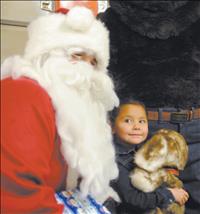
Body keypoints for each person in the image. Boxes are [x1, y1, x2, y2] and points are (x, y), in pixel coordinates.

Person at [1, 6, 120, 213]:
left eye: (94, 62)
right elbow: (16, 195)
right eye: (76, 55)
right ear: (46, 55)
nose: (86, 71)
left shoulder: (65, 104)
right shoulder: (22, 93)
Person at [99, 1, 200, 213]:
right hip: (142, 129)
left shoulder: (110, 21)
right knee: (144, 201)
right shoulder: (110, 22)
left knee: (142, 201)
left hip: (143, 126)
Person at [108, 99, 189, 214]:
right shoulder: (115, 162)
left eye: (142, 121)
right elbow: (134, 199)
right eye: (128, 120)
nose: (137, 126)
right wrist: (169, 195)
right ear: (112, 127)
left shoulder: (139, 151)